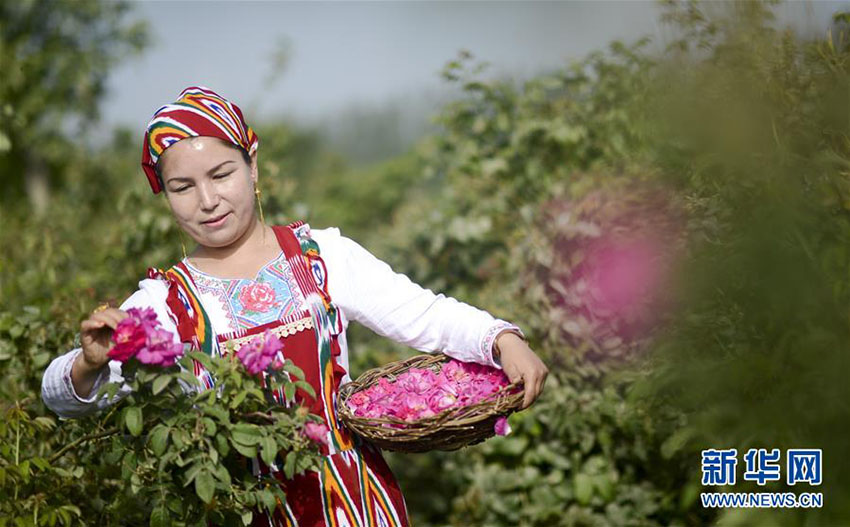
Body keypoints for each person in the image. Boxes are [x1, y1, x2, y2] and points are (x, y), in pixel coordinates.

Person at [41, 85, 549, 526]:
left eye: (221, 174)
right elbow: (59, 397)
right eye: (183, 187)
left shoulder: (321, 256)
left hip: (356, 504)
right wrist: (89, 363)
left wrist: (501, 339)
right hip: (245, 507)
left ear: (252, 165)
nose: (207, 200)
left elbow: (424, 315)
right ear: (166, 196)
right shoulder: (166, 302)